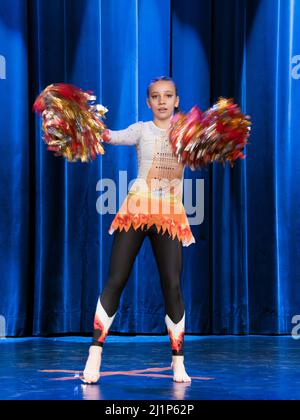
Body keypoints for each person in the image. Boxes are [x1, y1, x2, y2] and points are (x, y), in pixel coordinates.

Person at [83, 76, 195, 384]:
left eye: (168, 96)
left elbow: (210, 150)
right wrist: (89, 124)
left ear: (176, 100)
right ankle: (95, 353)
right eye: (155, 96)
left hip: (170, 214)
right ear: (148, 102)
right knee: (116, 280)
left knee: (172, 285)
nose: (161, 101)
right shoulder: (140, 130)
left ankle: (178, 361)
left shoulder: (187, 133)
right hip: (137, 209)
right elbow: (111, 137)